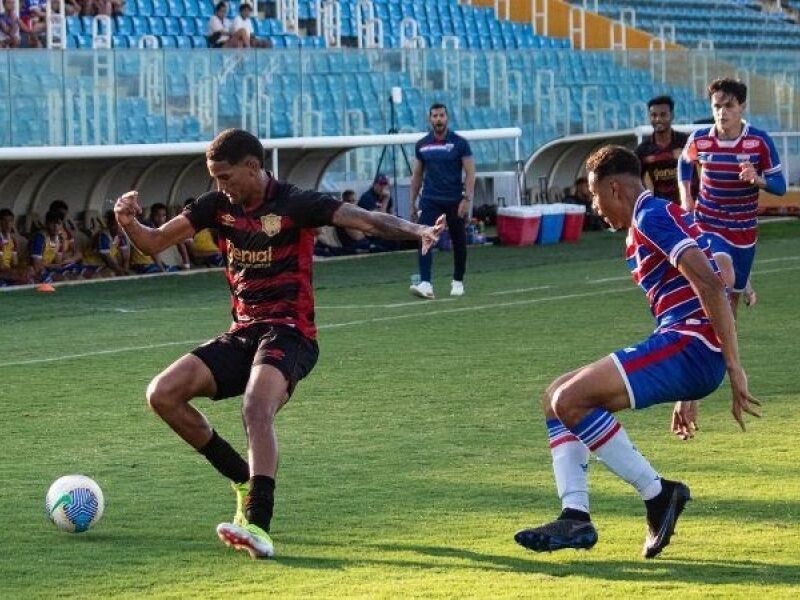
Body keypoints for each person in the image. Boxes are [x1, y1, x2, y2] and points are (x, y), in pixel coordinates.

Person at [112, 128, 443, 560]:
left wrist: (416, 228)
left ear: (253, 167)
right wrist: (128, 221)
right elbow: (154, 240)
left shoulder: (296, 203)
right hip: (243, 332)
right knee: (163, 394)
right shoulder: (217, 206)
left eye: (226, 177)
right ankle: (242, 476)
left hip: (290, 332)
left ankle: (258, 525)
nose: (220, 187)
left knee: (255, 408)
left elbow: (364, 218)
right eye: (215, 178)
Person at [514, 145, 759, 559]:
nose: (595, 207)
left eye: (594, 195)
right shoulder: (664, 216)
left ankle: (658, 494)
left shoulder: (650, 216)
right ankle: (575, 513)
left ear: (614, 188)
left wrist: (732, 366)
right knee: (554, 398)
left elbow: (713, 285)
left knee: (569, 400)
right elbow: (727, 271)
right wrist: (693, 390)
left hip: (689, 346)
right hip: (690, 348)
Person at [678, 78, 786, 315]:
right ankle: (701, 336)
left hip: (743, 231)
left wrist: (757, 179)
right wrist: (686, 196)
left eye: (729, 106)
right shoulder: (700, 139)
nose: (722, 112)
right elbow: (685, 162)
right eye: (717, 107)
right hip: (708, 222)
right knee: (723, 278)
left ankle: (725, 347)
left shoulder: (759, 142)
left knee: (732, 301)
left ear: (742, 106)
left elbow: (780, 186)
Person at [409, 103, 476, 299]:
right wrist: (413, 202)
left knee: (459, 240)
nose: (438, 119)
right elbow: (417, 175)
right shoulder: (422, 144)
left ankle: (457, 280)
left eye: (441, 115)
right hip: (430, 199)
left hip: (454, 200)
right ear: (429, 119)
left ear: (447, 118)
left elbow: (470, 173)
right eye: (435, 116)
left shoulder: (459, 143)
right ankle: (425, 283)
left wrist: (466, 199)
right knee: (425, 239)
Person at [635, 95, 697, 206]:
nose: (658, 119)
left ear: (672, 115)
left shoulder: (686, 142)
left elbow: (705, 166)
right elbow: (634, 179)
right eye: (654, 115)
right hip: (662, 208)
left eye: (663, 115)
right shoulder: (643, 150)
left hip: (689, 205)